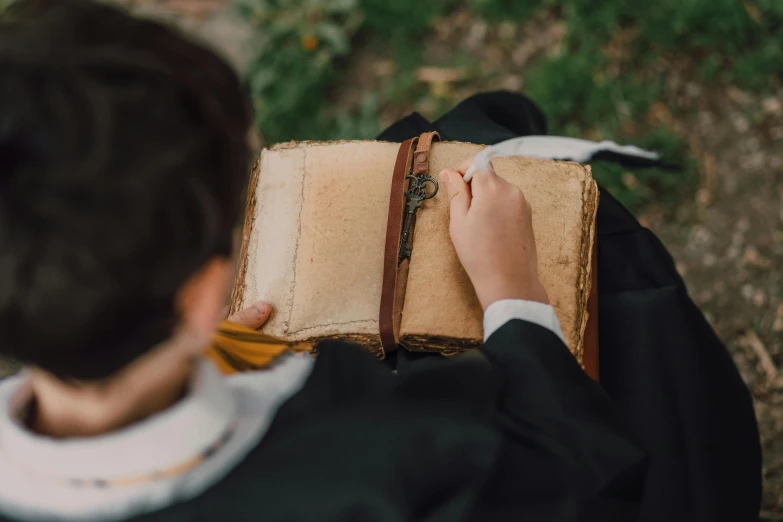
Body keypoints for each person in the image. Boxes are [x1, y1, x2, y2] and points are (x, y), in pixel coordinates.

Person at [0, 1, 759, 522]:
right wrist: (512, 295)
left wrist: (211, 349)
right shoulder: (395, 470)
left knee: (445, 140)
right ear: (200, 296)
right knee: (601, 262)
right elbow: (583, 474)